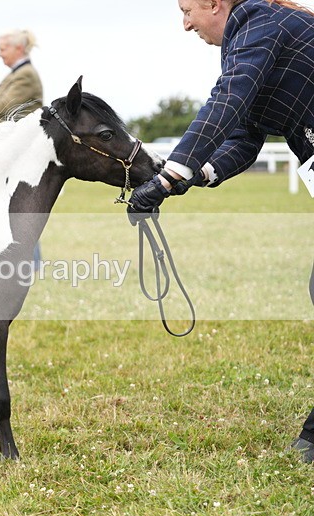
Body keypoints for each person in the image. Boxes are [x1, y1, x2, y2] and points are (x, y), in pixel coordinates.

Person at [126, 0, 314, 461]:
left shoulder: (256, 21)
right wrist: (196, 175)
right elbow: (245, 134)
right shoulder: (253, 34)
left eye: (187, 9)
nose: (184, 23)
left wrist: (168, 175)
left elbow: (228, 100)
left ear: (214, 4)